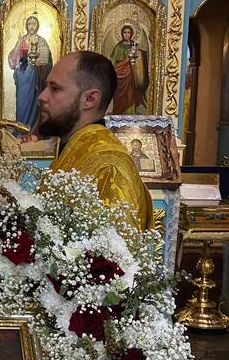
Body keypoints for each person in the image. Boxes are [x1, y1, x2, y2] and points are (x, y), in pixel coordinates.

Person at [37, 51, 153, 231]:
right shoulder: (73, 149)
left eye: (55, 88)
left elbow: (118, 246)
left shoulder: (110, 167)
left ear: (90, 99)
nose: (42, 97)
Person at [8, 15, 52, 131]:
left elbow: (48, 62)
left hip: (35, 78)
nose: (31, 26)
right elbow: (13, 61)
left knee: (34, 104)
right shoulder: (22, 40)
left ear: (37, 26)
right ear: (26, 26)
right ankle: (20, 128)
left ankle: (32, 130)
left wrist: (39, 64)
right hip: (23, 77)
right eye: (29, 24)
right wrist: (19, 45)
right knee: (21, 103)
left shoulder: (42, 41)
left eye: (34, 24)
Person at [109, 24, 149, 114]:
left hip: (131, 74)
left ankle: (130, 114)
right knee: (119, 96)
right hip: (120, 75)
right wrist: (124, 63)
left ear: (131, 34)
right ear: (122, 34)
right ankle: (118, 115)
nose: (126, 34)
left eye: (128, 32)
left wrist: (139, 54)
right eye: (125, 32)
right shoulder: (118, 47)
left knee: (131, 95)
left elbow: (139, 59)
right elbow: (112, 61)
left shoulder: (134, 46)